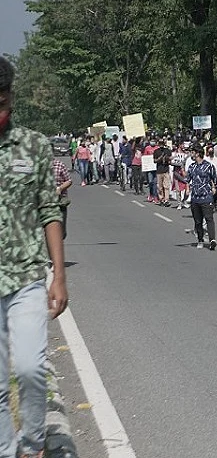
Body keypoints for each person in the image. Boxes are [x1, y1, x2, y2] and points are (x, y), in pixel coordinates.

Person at [0, 55, 69, 458]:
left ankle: (32, 444)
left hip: (26, 276)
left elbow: (49, 210)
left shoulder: (33, 145)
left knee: (29, 368)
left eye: (3, 101)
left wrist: (58, 274)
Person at [187, 145, 217, 250]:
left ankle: (212, 239)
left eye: (192, 152)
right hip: (195, 197)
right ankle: (200, 239)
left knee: (209, 218)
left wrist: (214, 188)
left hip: (206, 196)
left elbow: (215, 179)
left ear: (197, 153)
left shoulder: (209, 166)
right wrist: (187, 189)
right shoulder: (192, 167)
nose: (191, 154)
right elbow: (188, 179)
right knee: (198, 221)